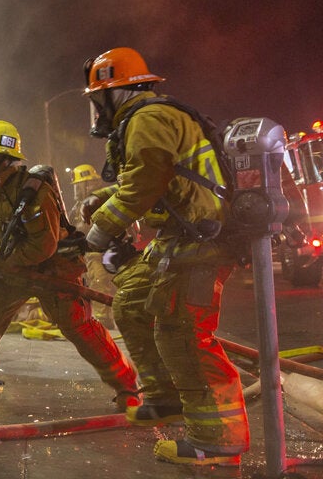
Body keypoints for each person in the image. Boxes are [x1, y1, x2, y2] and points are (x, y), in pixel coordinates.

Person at [80, 46, 248, 466]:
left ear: (116, 92)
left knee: (184, 334)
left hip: (202, 240)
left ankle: (217, 440)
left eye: (99, 98)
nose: (97, 109)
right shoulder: (145, 119)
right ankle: (166, 398)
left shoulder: (148, 118)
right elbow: (159, 175)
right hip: (181, 236)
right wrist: (103, 198)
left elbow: (147, 180)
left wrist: (100, 229)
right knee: (132, 303)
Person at [0, 119, 139, 408]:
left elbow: (42, 246)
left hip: (52, 270)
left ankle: (127, 386)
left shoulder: (33, 192)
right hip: (7, 273)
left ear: (6, 159)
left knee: (82, 330)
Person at [67, 164, 117, 329]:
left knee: (99, 279)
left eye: (78, 185)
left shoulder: (98, 201)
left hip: (102, 251)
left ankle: (103, 319)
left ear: (89, 184)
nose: (76, 189)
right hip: (86, 252)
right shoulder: (79, 206)